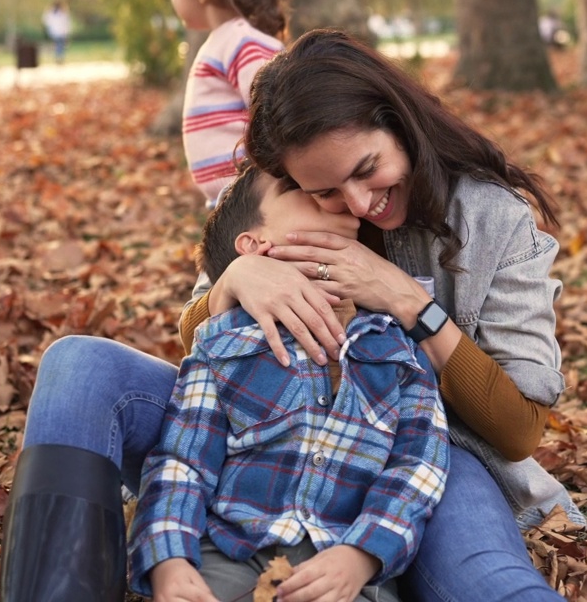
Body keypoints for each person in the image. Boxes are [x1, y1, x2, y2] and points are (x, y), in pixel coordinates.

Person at [0, 30, 581, 602]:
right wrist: (233, 279)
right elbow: (201, 343)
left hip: (426, 456)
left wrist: (407, 300)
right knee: (79, 365)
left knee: (488, 583)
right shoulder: (285, 197)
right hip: (261, 437)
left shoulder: (493, 221)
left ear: (400, 123)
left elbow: (519, 429)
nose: (356, 205)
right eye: (323, 190)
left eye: (366, 168)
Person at [130, 165, 448, 602]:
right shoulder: (224, 341)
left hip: (340, 564)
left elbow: (418, 468)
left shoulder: (398, 349)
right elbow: (182, 459)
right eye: (300, 190)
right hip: (230, 551)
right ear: (255, 246)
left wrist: (362, 555)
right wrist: (168, 559)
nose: (329, 198)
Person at [164, 0, 288, 205]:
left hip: (259, 196)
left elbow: (274, 111)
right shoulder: (226, 40)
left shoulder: (242, 41)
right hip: (238, 197)